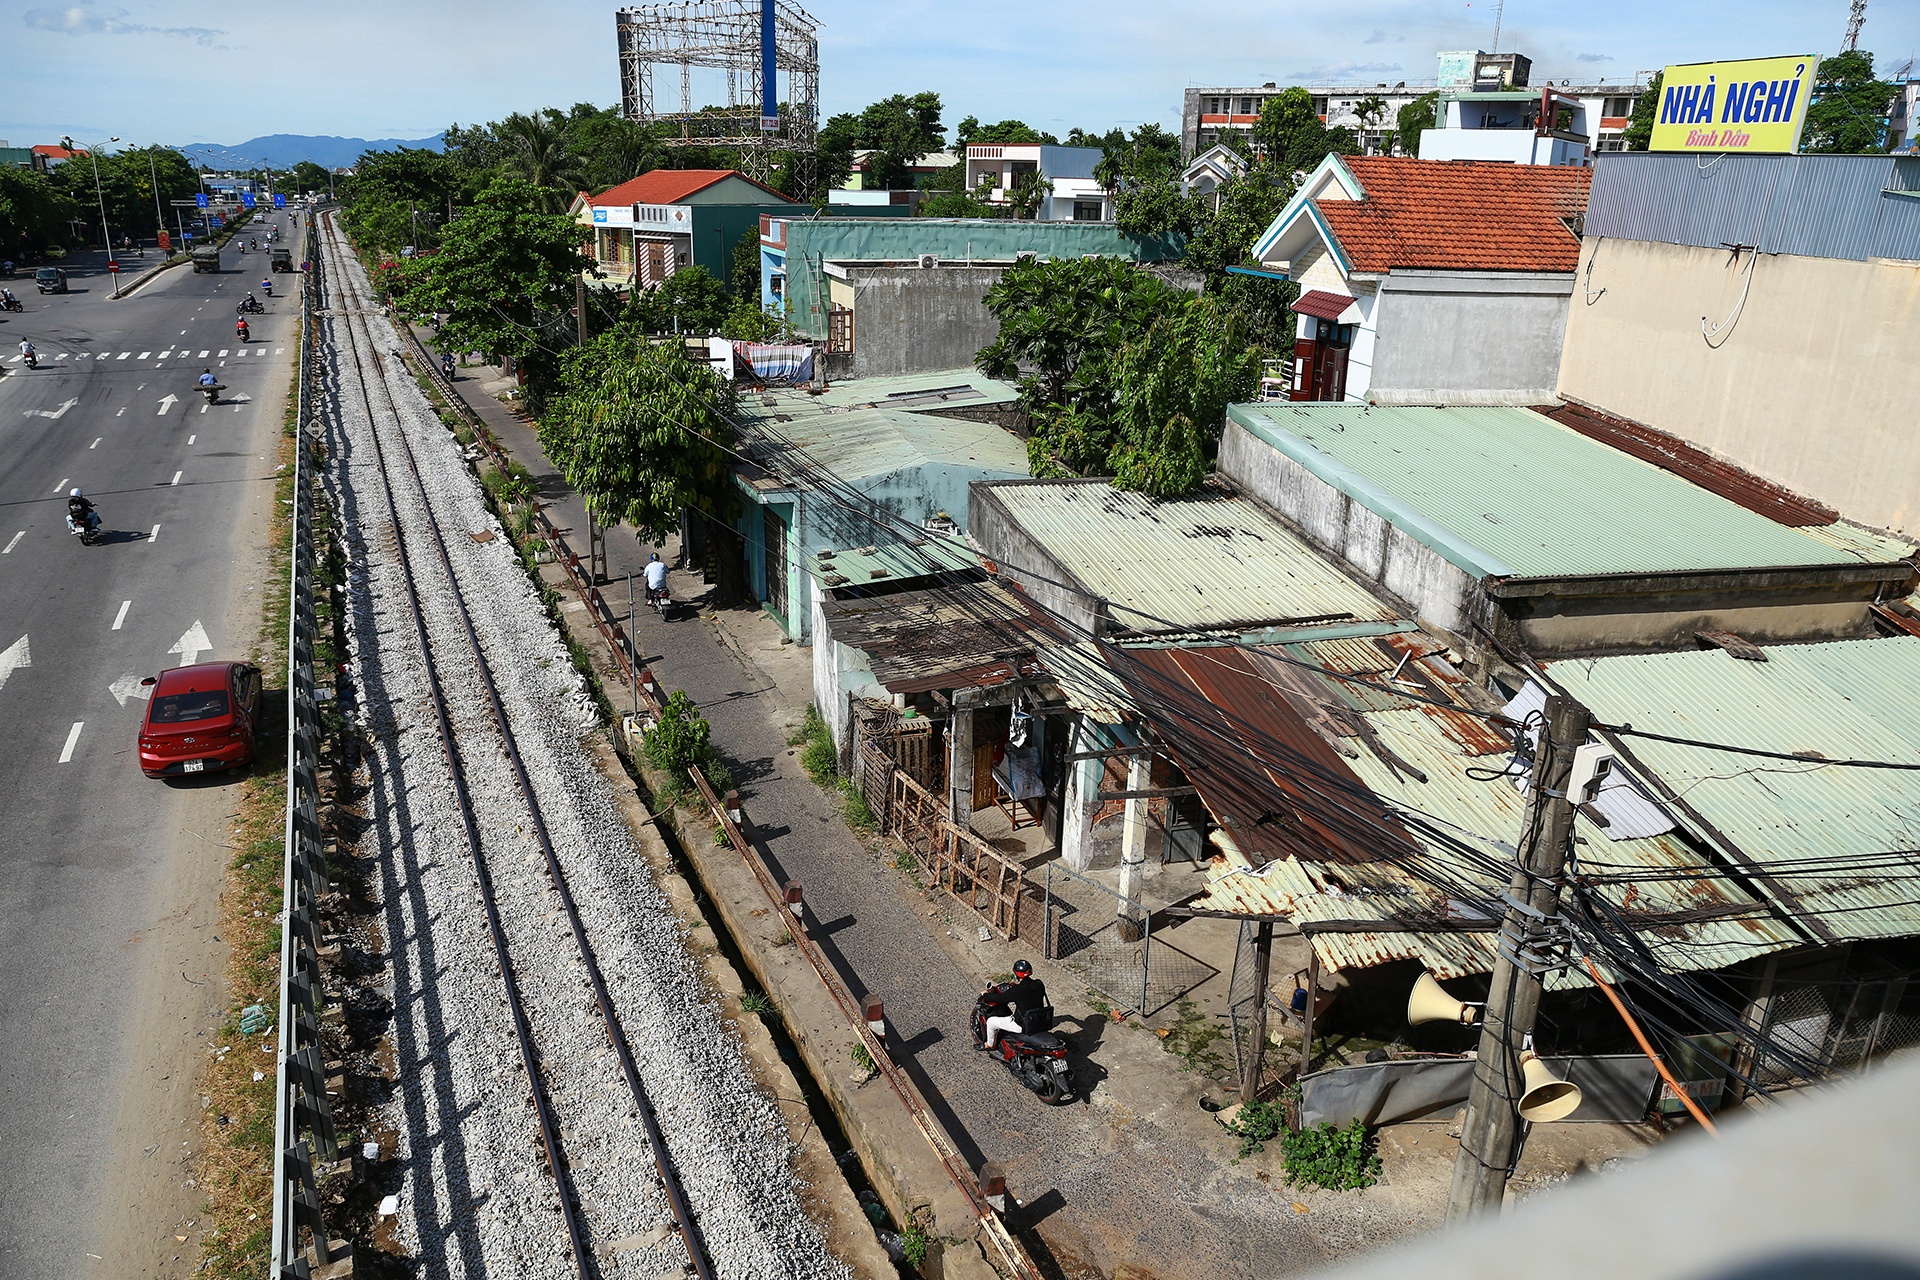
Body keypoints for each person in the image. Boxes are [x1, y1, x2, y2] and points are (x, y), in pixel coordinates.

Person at [979, 960, 1047, 1050]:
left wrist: (986, 995)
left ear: (1016, 974)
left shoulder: (1017, 990)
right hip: (1038, 1021)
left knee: (991, 1022)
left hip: (1021, 1025)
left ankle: (990, 1045)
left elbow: (1000, 999)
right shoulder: (1039, 984)